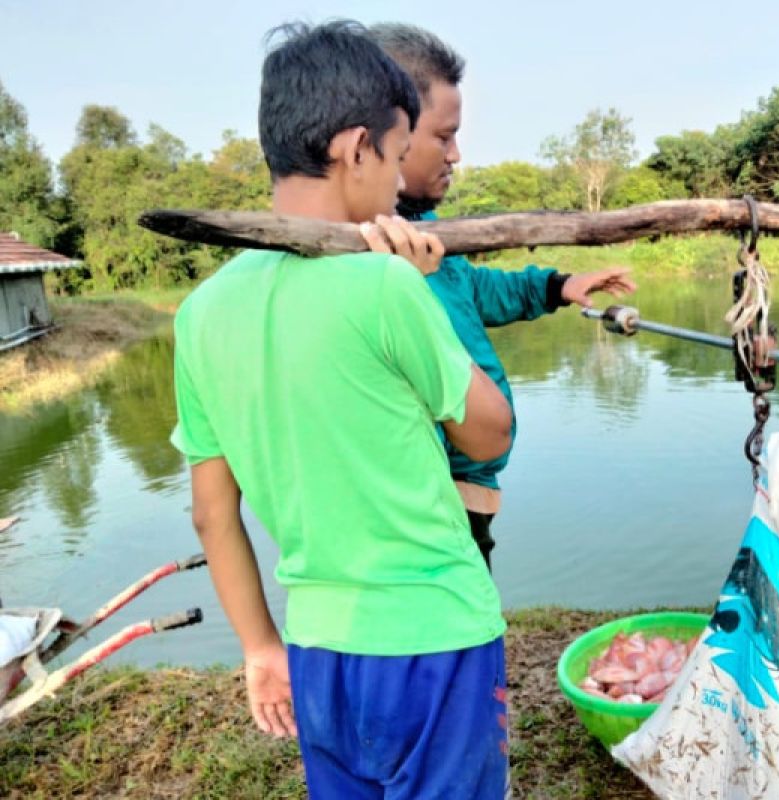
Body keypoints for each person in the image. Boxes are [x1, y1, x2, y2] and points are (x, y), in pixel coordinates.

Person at [171, 21, 513, 798]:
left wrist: (262, 647)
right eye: (396, 157)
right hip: (436, 639)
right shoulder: (387, 285)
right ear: (356, 148)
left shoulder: (200, 313)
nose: (399, 184)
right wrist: (426, 291)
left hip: (318, 645)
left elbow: (211, 515)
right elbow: (489, 434)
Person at [366, 23, 637, 569]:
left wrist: (557, 287)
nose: (456, 155)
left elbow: (473, 290)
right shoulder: (374, 256)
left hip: (471, 492)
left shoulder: (425, 234)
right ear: (387, 134)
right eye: (443, 137)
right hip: (431, 499)